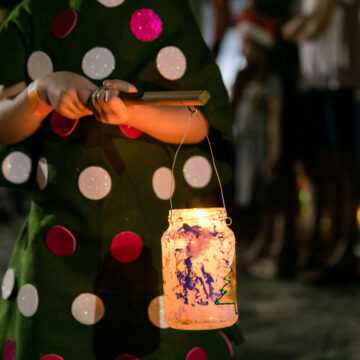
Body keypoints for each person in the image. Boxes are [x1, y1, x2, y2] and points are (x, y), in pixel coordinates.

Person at [0, 0, 243, 358]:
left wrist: (135, 112)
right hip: (58, 246)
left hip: (158, 240)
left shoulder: (166, 12)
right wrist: (40, 92)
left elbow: (201, 120)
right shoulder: (34, 15)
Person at [282, 0, 359, 281]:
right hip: (313, 82)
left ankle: (345, 245)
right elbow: (289, 30)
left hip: (341, 81)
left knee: (344, 164)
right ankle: (326, 245)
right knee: (322, 165)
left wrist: (308, 24)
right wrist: (309, 23)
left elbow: (314, 24)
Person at [231, 9, 284, 277]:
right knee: (250, 195)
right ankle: (256, 244)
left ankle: (266, 244)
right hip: (247, 145)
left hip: (261, 146)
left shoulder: (271, 82)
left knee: (266, 197)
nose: (244, 50)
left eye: (248, 45)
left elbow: (275, 121)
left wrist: (274, 153)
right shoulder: (245, 78)